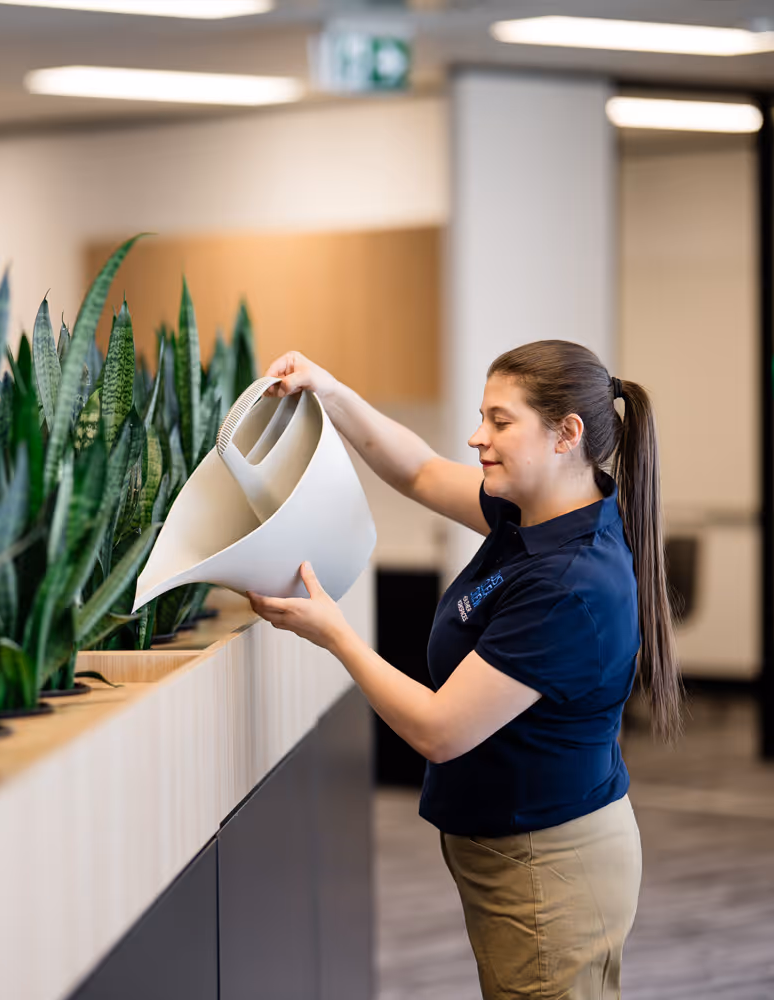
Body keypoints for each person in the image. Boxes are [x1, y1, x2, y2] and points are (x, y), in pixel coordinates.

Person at [246, 340, 682, 1000]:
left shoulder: (571, 582)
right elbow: (418, 471)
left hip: (549, 866)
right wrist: (328, 390)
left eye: (500, 422)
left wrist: (336, 634)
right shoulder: (535, 513)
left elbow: (439, 730)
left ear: (567, 434)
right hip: (522, 848)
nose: (478, 437)